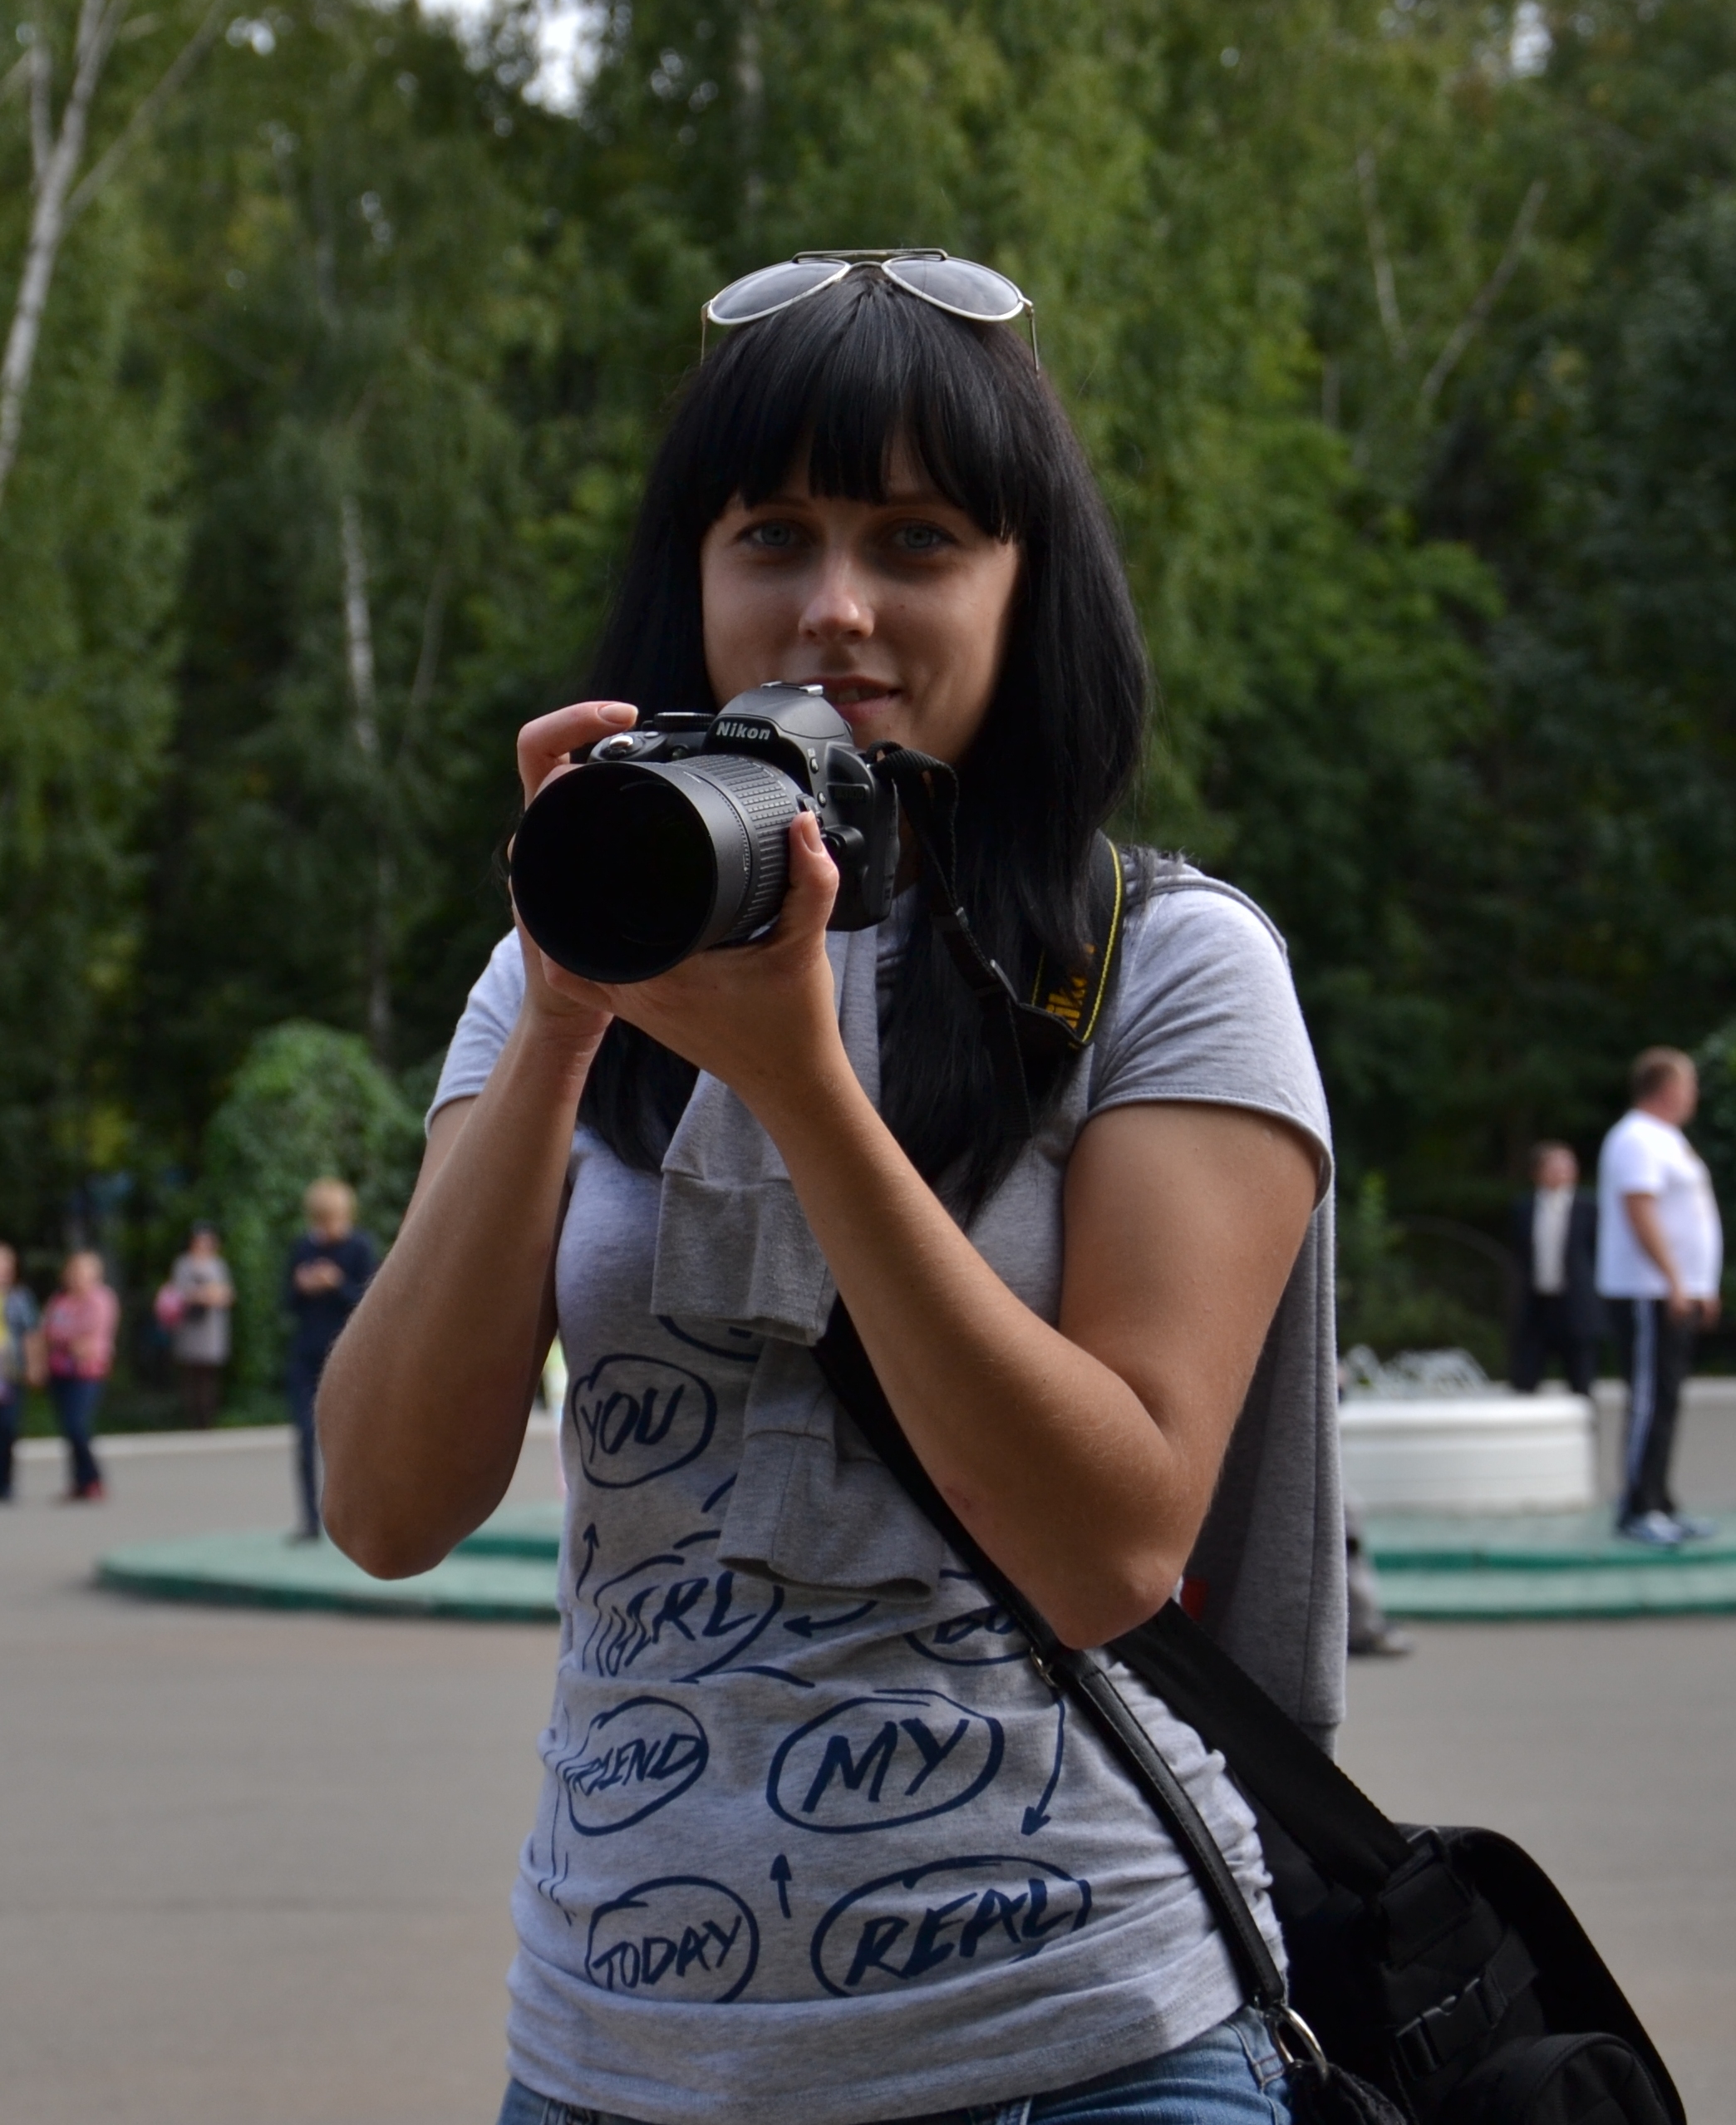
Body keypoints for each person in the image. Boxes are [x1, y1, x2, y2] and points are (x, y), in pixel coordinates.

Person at [318, 254, 1340, 2125]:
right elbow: (384, 1503)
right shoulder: (564, 973)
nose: (835, 605)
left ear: (1027, 587)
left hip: (1080, 2045)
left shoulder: (1166, 967)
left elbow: (1108, 1548)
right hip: (615, 2059)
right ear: (694, 581)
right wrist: (564, 1008)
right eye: (772, 534)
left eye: (918, 539)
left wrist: (798, 1083)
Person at [1596, 1048, 1723, 1546]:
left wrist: (1699, 1285)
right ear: (1666, 1088)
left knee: (1666, 1399)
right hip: (1645, 1292)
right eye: (1688, 1085)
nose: (1693, 1095)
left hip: (1673, 1291)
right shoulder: (1636, 1138)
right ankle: (1636, 1508)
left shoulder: (1669, 1139)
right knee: (1649, 1400)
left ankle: (1659, 1501)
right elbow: (1640, 1210)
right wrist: (1674, 1280)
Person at [284, 1180, 376, 1541]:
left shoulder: (359, 1248)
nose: (327, 1229)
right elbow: (287, 1302)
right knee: (305, 1439)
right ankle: (309, 1521)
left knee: (351, 1442)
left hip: (347, 1357)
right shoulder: (303, 1248)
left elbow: (369, 1302)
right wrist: (301, 1286)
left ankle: (356, 1520)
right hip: (307, 1356)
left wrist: (336, 1283)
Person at [1507, 1142, 1601, 1396]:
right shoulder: (1524, 1208)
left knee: (1580, 1378)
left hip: (1576, 1302)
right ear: (1537, 1171)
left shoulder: (1589, 1208)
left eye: (1567, 1165)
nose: (1561, 1171)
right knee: (1524, 1377)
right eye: (1554, 1166)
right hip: (1536, 1302)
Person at [42, 1248, 117, 1502]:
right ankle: (79, 1480)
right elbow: (50, 1331)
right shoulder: (60, 1300)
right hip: (60, 1371)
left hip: (87, 1371)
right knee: (67, 1427)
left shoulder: (101, 1299)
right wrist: (68, 1340)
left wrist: (67, 1339)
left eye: (83, 1271)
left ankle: (93, 1477)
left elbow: (89, 1333)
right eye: (73, 1271)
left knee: (77, 1424)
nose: (77, 1276)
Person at [166, 1222, 234, 1429]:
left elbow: (226, 1294)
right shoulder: (183, 1264)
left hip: (211, 1329)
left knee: (209, 1377)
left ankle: (208, 1420)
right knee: (190, 1375)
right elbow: (178, 1293)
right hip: (189, 1328)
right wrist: (204, 1295)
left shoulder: (218, 1265)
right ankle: (193, 1420)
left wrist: (209, 1295)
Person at [0, 1243, 46, 1500]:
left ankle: (4, 1483)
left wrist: (35, 1366)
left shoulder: (20, 1298)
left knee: (7, 1428)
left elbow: (31, 1333)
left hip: (9, 1372)